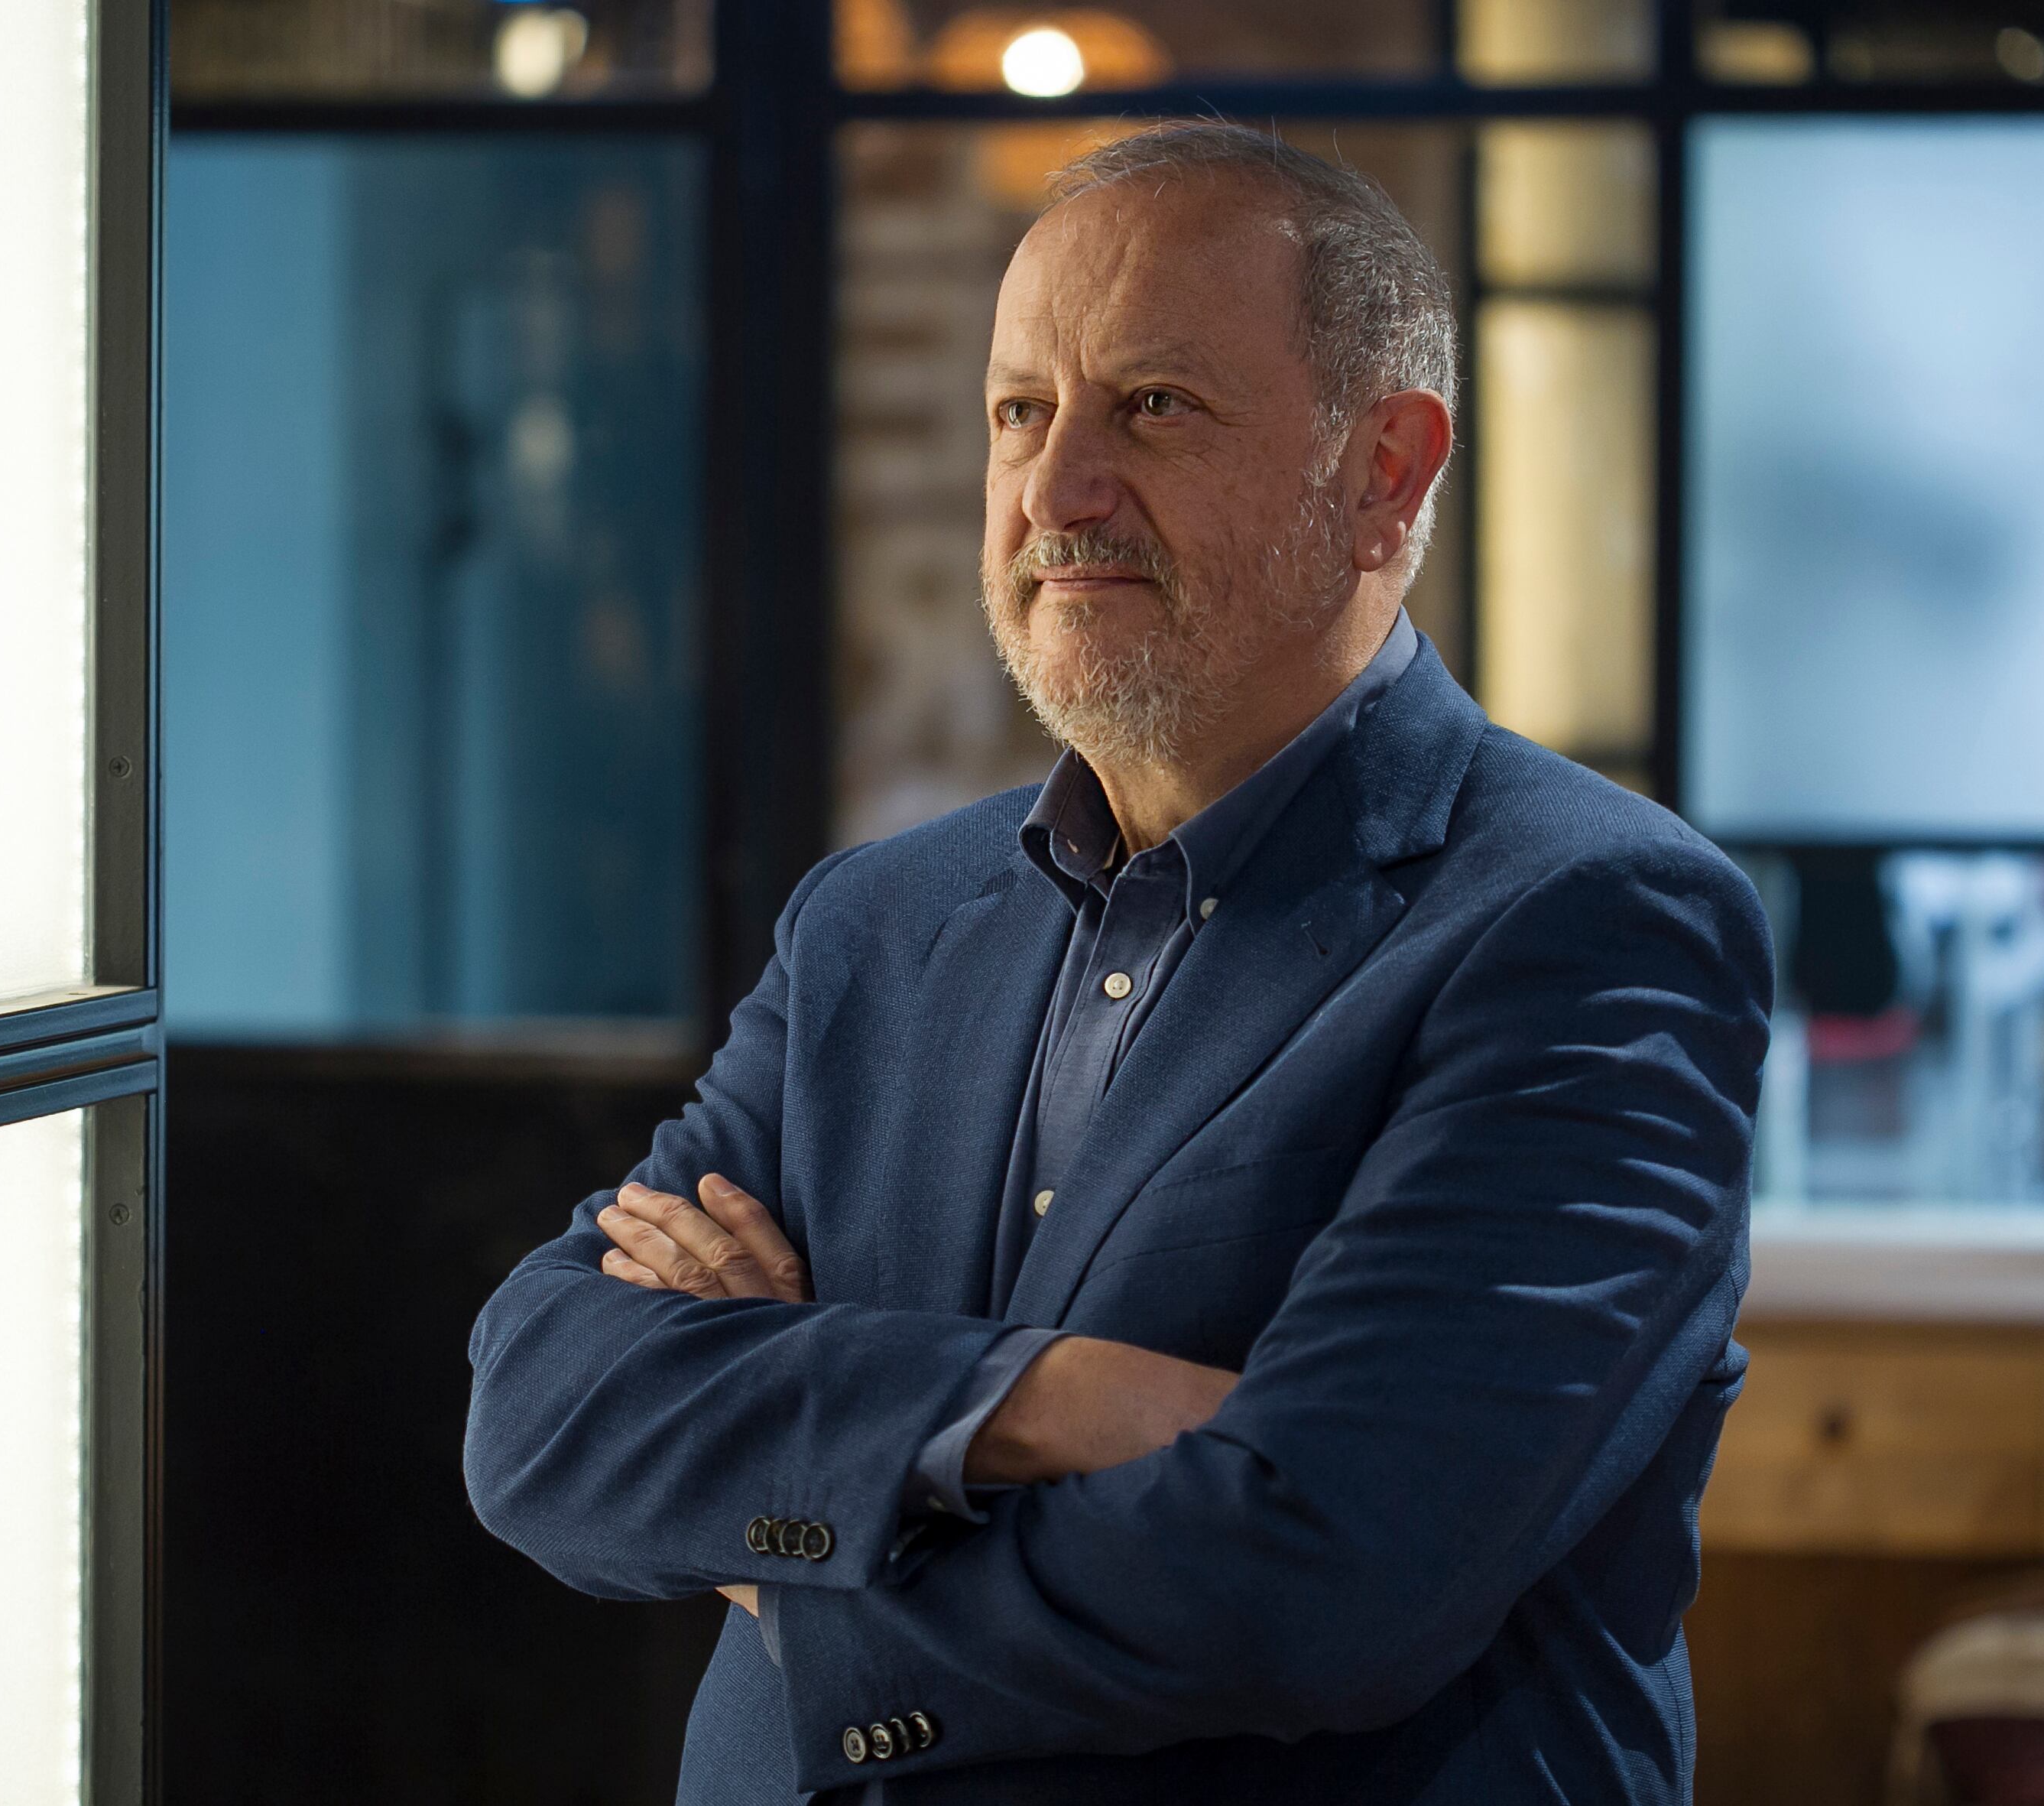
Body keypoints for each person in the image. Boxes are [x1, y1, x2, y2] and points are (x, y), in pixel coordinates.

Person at [464, 119, 1771, 1804]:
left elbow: (1319, 1572)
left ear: (1382, 469)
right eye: (1021, 410)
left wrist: (794, 1531)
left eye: (1152, 407)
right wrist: (1037, 1399)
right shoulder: (869, 921)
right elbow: (544, 1411)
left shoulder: (1594, 923)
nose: (1055, 490)